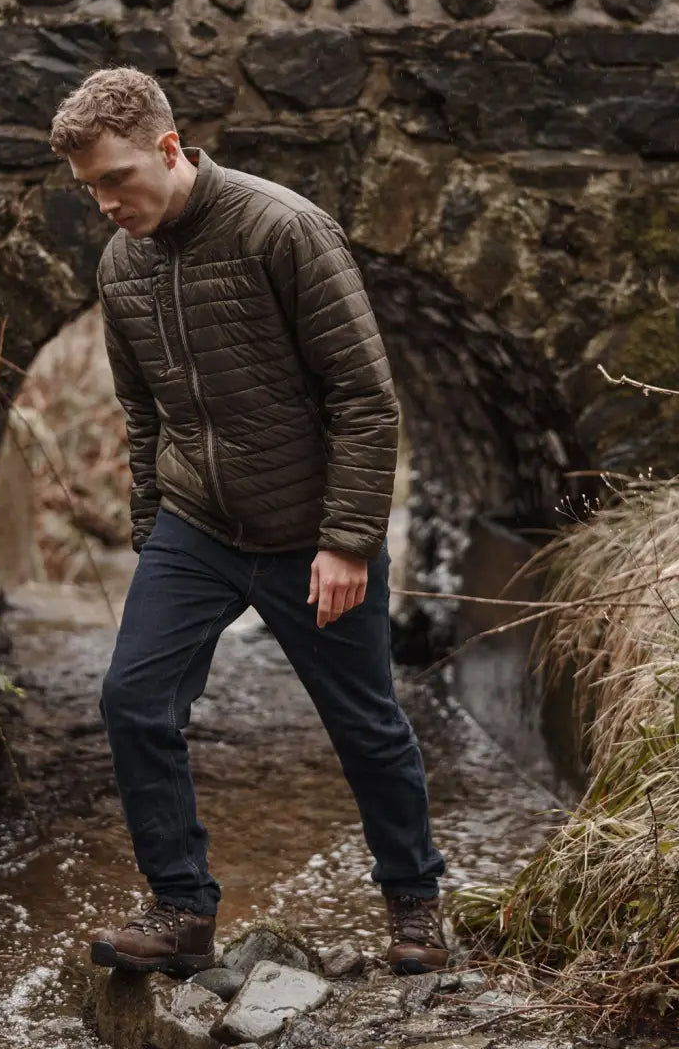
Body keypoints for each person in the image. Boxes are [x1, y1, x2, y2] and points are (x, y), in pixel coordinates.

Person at [48, 67, 448, 978]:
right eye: (90, 190)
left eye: (119, 179)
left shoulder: (285, 229)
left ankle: (417, 908)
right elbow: (144, 417)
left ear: (169, 147)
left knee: (366, 724)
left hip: (312, 531)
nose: (107, 203)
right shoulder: (121, 265)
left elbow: (365, 396)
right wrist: (155, 535)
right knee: (134, 703)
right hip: (197, 525)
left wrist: (348, 540)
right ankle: (182, 912)